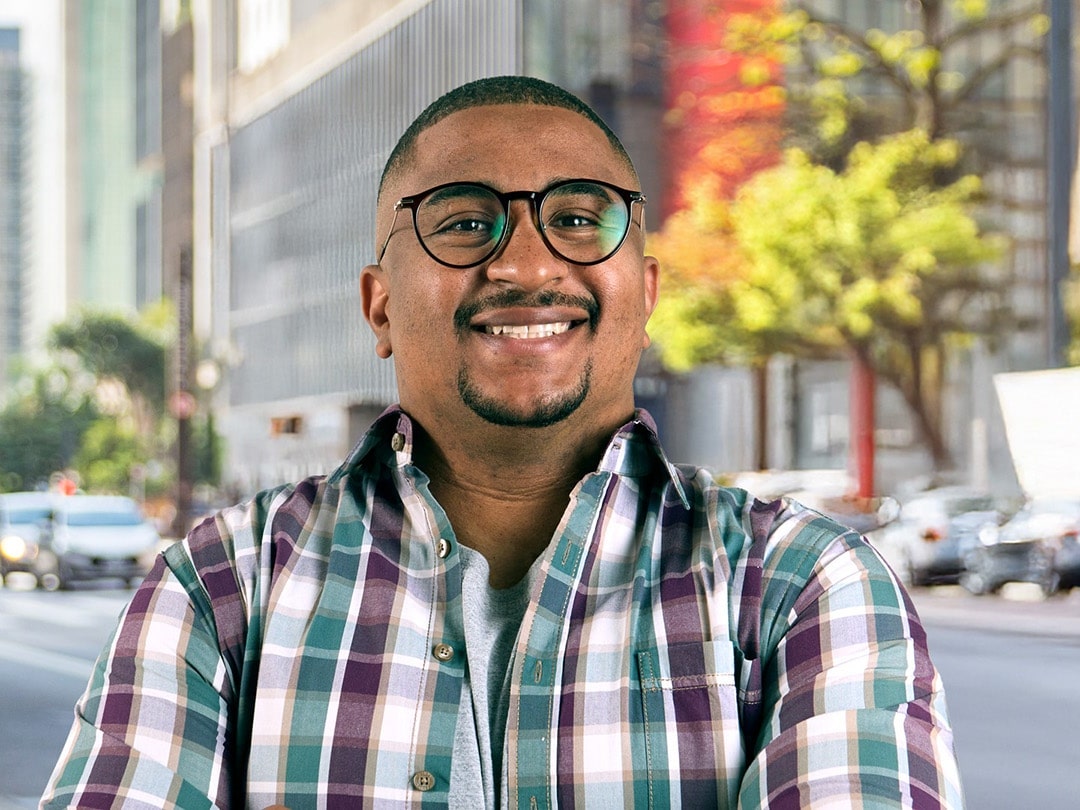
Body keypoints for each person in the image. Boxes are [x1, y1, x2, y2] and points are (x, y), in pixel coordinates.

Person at [42, 75, 963, 809]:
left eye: (576, 218)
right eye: (462, 222)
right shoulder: (221, 590)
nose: (525, 264)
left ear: (644, 296)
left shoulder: (803, 587)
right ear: (381, 305)